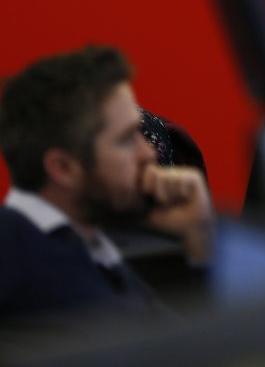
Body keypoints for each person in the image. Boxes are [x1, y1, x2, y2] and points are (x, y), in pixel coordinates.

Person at [0, 46, 214, 336]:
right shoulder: (17, 264)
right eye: (126, 140)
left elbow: (192, 346)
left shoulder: (87, 247)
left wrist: (198, 239)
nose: (149, 154)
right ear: (63, 168)